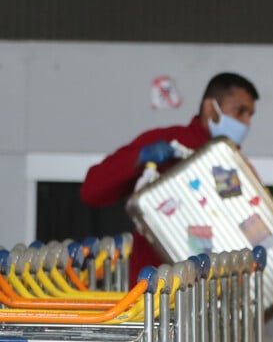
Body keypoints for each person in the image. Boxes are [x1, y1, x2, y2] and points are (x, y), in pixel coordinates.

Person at [80, 71, 259, 285]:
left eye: (250, 115)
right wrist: (138, 159)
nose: (246, 123)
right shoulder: (166, 141)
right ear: (211, 108)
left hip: (215, 297)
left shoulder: (239, 167)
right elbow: (91, 190)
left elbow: (258, 235)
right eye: (240, 111)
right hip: (154, 294)